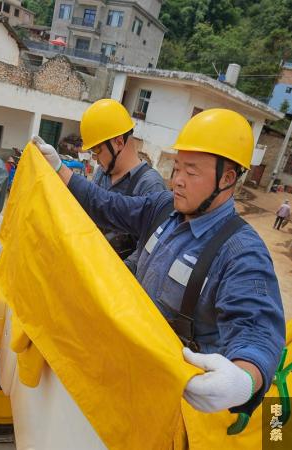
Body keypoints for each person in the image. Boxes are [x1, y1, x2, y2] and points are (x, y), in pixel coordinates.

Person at [33, 109, 285, 416]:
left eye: (191, 173)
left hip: (179, 400)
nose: (177, 181)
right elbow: (108, 205)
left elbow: (257, 330)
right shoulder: (164, 207)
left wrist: (244, 378)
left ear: (227, 178)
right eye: (176, 168)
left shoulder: (240, 253)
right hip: (134, 367)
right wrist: (60, 169)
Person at [79, 99, 166, 265]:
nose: (96, 160)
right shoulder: (101, 174)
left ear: (118, 142)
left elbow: (148, 250)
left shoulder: (150, 185)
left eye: (98, 151)